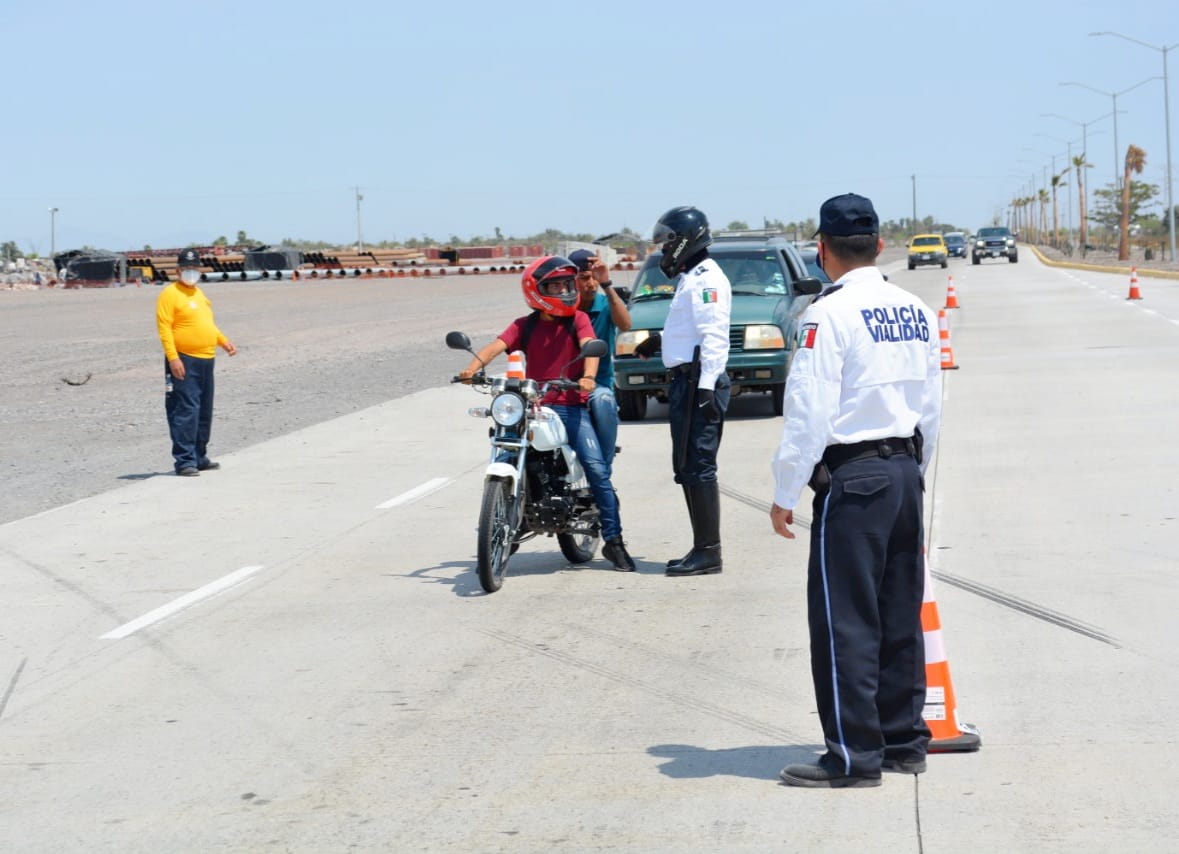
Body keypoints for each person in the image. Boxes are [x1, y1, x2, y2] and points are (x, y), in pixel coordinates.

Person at [769, 193, 943, 788]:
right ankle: (903, 742)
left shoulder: (828, 314)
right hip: (904, 473)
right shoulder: (915, 309)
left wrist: (787, 488)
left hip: (856, 477)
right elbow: (931, 405)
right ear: (880, 245)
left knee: (845, 620)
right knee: (899, 614)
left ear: (821, 250)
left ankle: (852, 756)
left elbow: (808, 411)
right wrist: (915, 474)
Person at [458, 256, 636, 572]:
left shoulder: (578, 319)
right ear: (536, 290)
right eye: (556, 286)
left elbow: (591, 346)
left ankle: (614, 540)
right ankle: (509, 518)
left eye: (567, 285)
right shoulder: (523, 325)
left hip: (569, 406)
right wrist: (471, 369)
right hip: (532, 406)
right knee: (507, 448)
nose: (565, 291)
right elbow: (495, 346)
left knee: (597, 470)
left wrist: (588, 377)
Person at [634, 206, 731, 576]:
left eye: (666, 243)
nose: (663, 250)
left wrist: (706, 388)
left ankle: (709, 552)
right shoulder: (693, 277)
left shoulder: (707, 279)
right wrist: (660, 340)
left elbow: (714, 336)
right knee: (688, 466)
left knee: (700, 467)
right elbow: (691, 328)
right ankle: (701, 548)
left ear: (684, 241)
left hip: (697, 382)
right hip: (687, 381)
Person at [156, 248, 237, 476]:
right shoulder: (170, 294)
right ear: (177, 270)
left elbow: (207, 324)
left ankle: (200, 456)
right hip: (185, 359)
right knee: (186, 409)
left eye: (194, 268)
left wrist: (223, 341)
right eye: (186, 268)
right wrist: (173, 357)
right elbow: (164, 328)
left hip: (206, 358)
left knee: (203, 410)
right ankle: (184, 461)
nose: (190, 272)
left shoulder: (200, 294)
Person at [568, 248, 631, 470]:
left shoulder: (605, 304)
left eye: (595, 278)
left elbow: (626, 324)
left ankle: (603, 470)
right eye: (585, 278)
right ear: (572, 280)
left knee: (603, 402)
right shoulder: (563, 309)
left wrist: (607, 284)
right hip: (563, 384)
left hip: (598, 384)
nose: (591, 284)